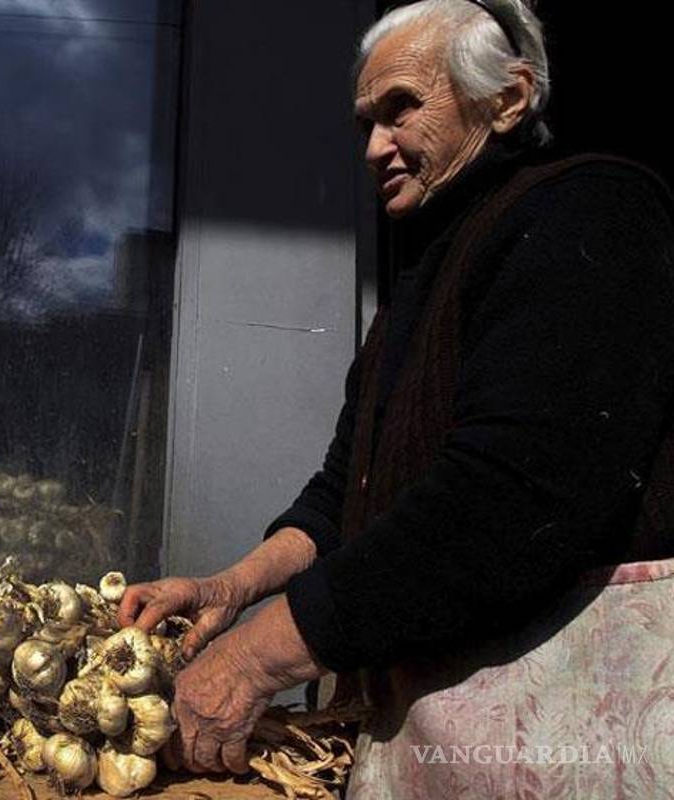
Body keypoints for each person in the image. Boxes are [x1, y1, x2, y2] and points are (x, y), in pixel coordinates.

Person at [119, 1, 674, 795]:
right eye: (366, 123)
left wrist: (254, 658)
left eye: (401, 108)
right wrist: (230, 589)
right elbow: (342, 495)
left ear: (509, 99)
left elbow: (507, 500)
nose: (374, 146)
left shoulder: (588, 211)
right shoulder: (425, 278)